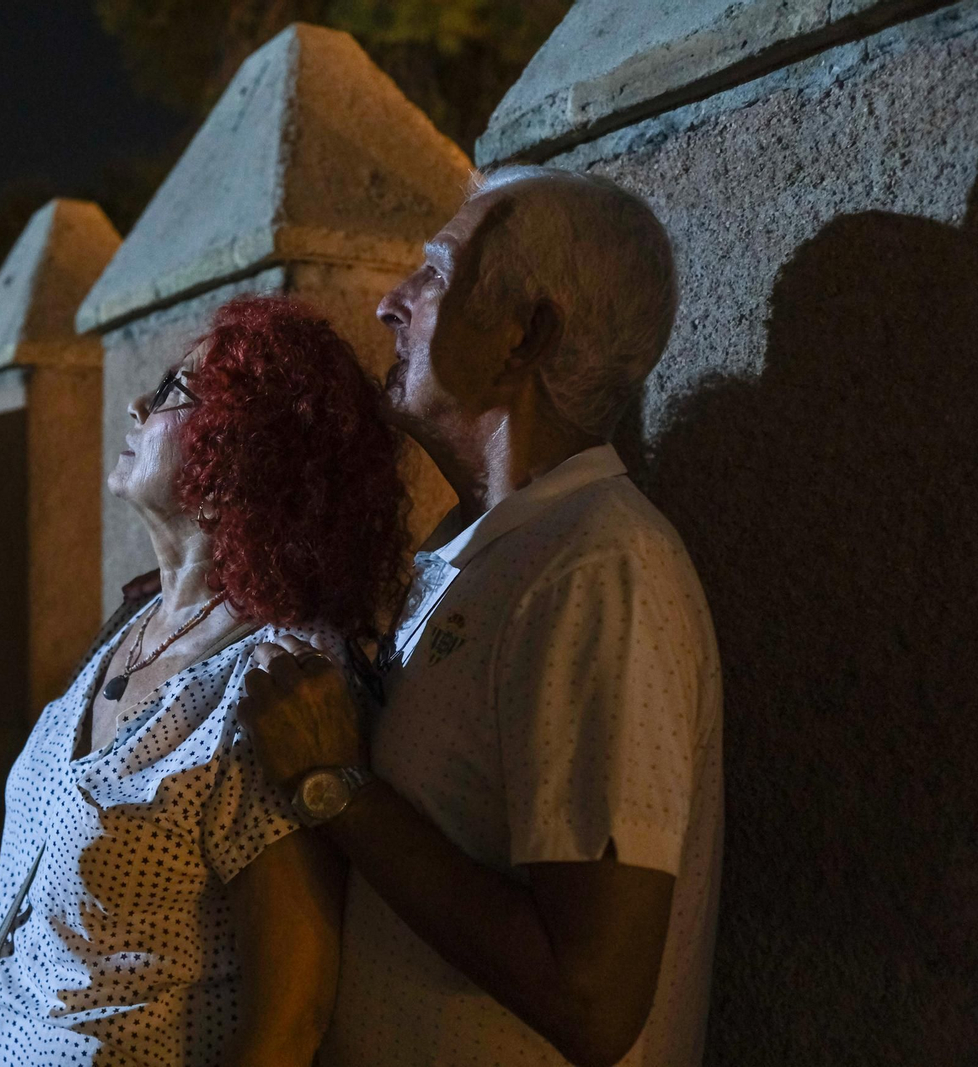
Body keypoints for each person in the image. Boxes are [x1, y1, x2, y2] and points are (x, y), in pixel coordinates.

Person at [238, 167, 724, 1067]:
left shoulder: (600, 569)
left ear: (523, 336)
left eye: (434, 274)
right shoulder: (489, 551)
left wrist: (337, 785)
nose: (390, 303)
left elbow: (594, 999)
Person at [0, 294, 412, 1067]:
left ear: (240, 460)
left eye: (175, 392)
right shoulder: (135, 620)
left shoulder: (272, 683)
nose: (138, 404)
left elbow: (292, 1017)